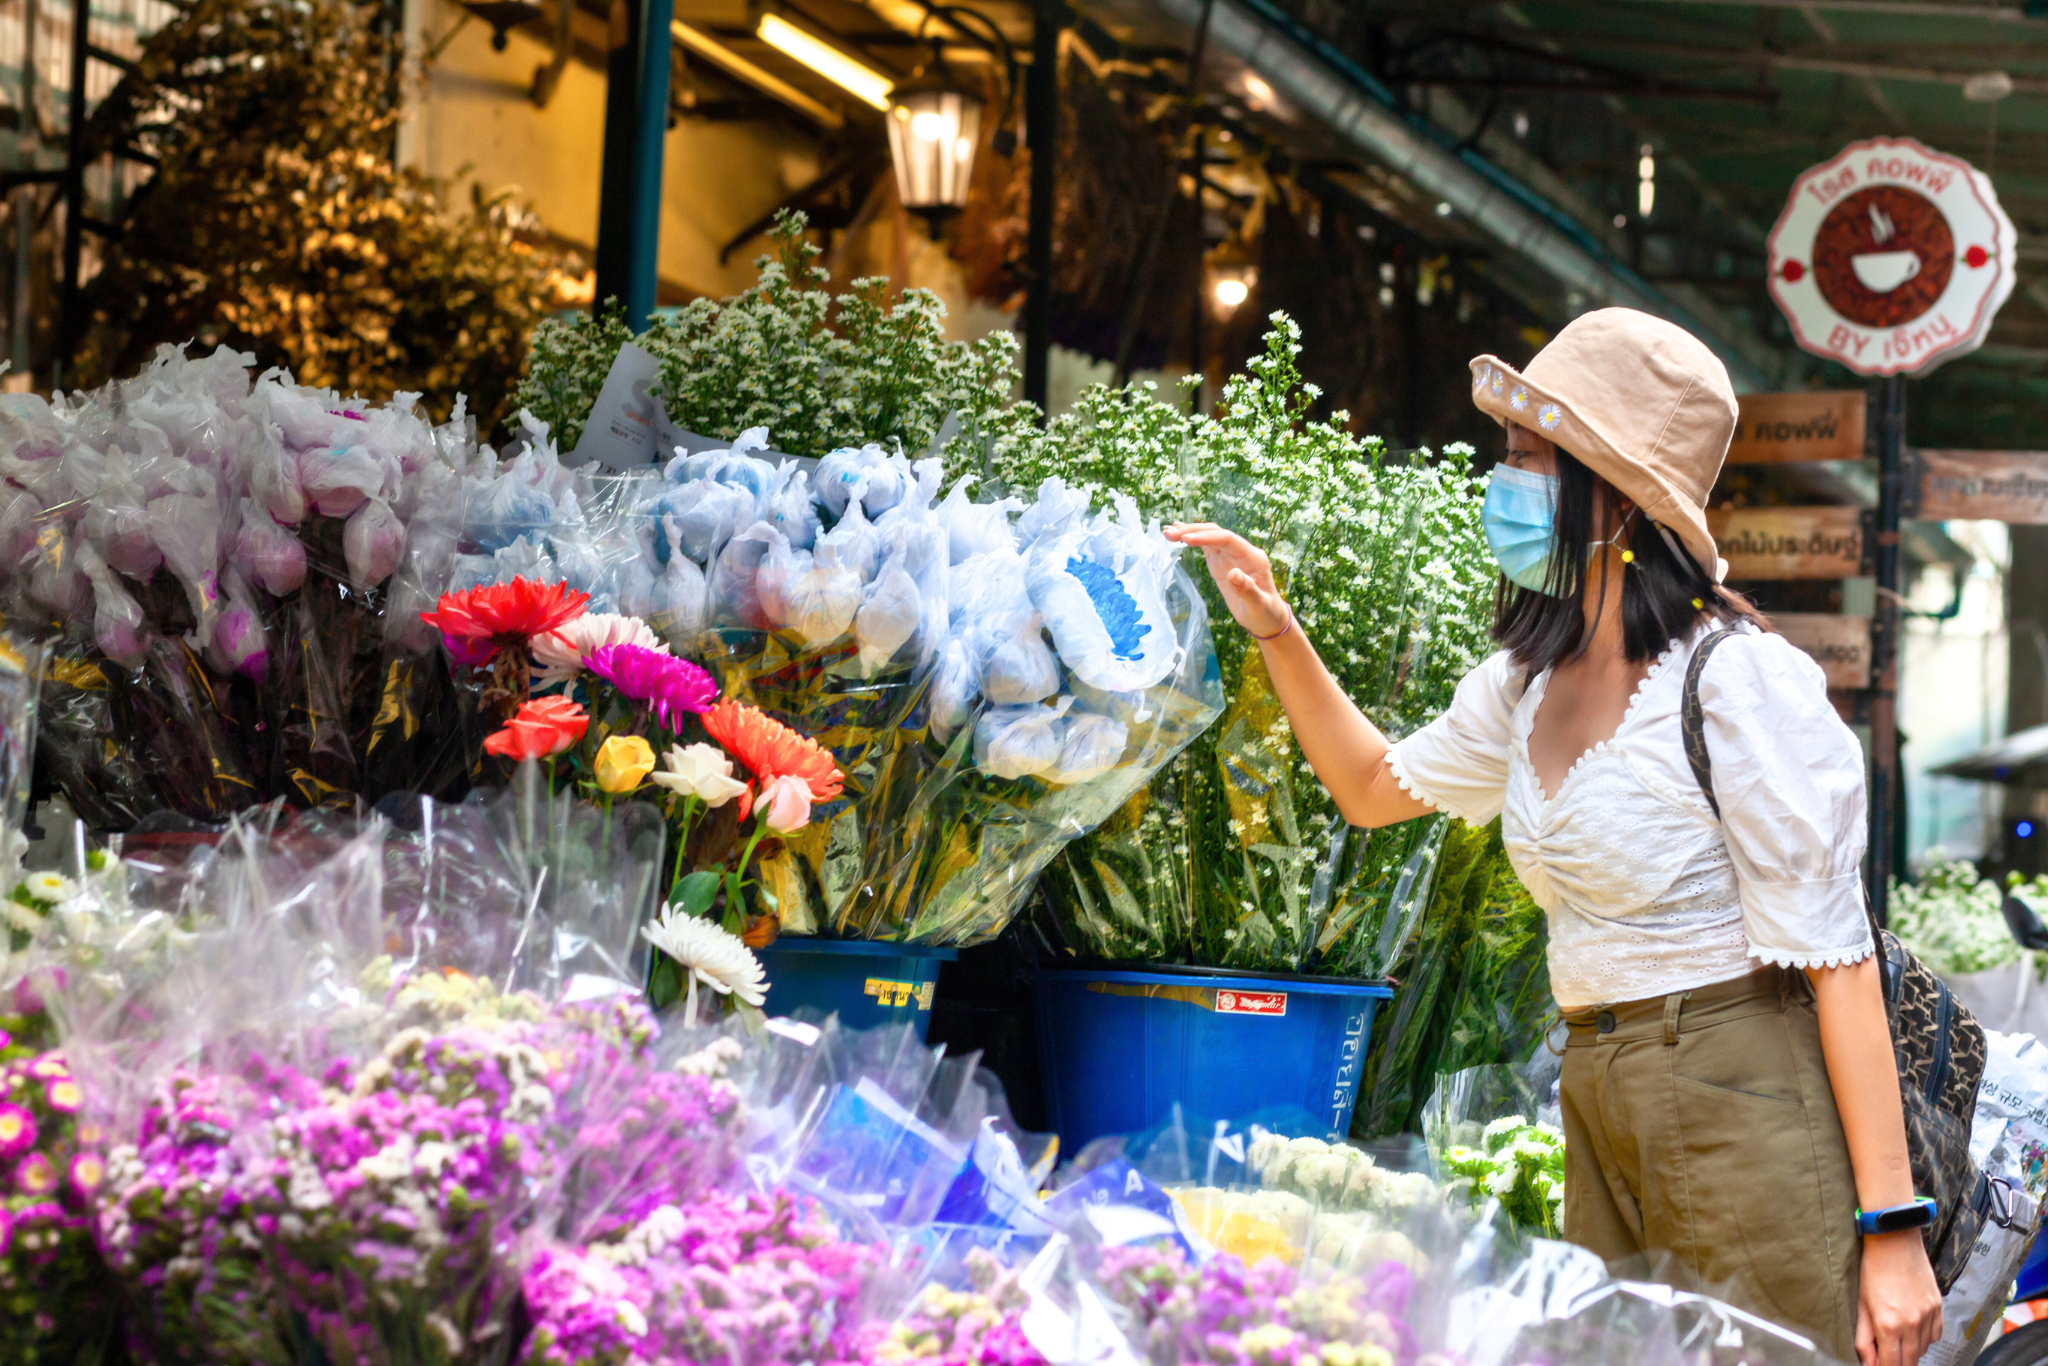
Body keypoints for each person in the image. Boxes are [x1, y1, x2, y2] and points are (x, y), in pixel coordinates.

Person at [1165, 308, 1942, 1366]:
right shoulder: (1523, 682)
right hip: (1594, 1085)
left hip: (1737, 1082)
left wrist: (1890, 1232)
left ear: (1612, 495)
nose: (1504, 480)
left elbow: (1839, 962)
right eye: (1509, 456)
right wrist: (1274, 625)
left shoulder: (1732, 678)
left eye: (1529, 459)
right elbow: (1369, 785)